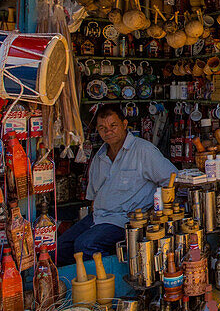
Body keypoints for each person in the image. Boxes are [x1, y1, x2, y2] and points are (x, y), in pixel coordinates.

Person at [57, 103, 177, 265]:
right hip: (99, 217)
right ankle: (73, 286)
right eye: (102, 128)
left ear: (124, 125)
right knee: (61, 247)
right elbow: (93, 196)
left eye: (113, 125)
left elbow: (173, 180)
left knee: (85, 245)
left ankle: (104, 286)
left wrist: (153, 210)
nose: (108, 131)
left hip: (125, 221)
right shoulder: (100, 157)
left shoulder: (143, 151)